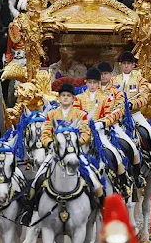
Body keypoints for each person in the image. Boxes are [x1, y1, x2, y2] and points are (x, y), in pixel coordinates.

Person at [23, 82, 103, 225]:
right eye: (63, 96)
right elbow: (45, 133)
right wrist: (50, 144)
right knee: (36, 181)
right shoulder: (51, 114)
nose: (65, 98)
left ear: (73, 99)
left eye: (68, 96)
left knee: (95, 181)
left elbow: (86, 134)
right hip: (55, 155)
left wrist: (74, 143)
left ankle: (102, 207)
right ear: (59, 98)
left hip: (76, 154)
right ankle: (29, 211)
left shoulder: (80, 115)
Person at [74, 67, 131, 197]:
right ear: (86, 82)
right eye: (90, 82)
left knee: (115, 154)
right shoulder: (78, 98)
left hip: (100, 133)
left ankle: (123, 185)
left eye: (95, 82)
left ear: (98, 83)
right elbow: (76, 115)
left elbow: (109, 115)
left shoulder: (106, 98)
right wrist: (83, 124)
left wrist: (102, 123)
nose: (92, 85)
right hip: (83, 133)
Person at [111, 51, 151, 183]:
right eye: (124, 64)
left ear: (133, 65)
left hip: (135, 115)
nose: (126, 66)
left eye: (128, 64)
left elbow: (144, 97)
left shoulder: (140, 80)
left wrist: (132, 103)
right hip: (118, 116)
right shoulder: (114, 80)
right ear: (120, 65)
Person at [98, 61, 145, 188]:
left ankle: (136, 176)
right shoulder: (90, 91)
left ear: (110, 74)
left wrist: (106, 121)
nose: (103, 76)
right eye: (101, 74)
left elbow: (119, 109)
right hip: (94, 129)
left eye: (106, 74)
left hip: (113, 126)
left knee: (133, 148)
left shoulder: (117, 92)